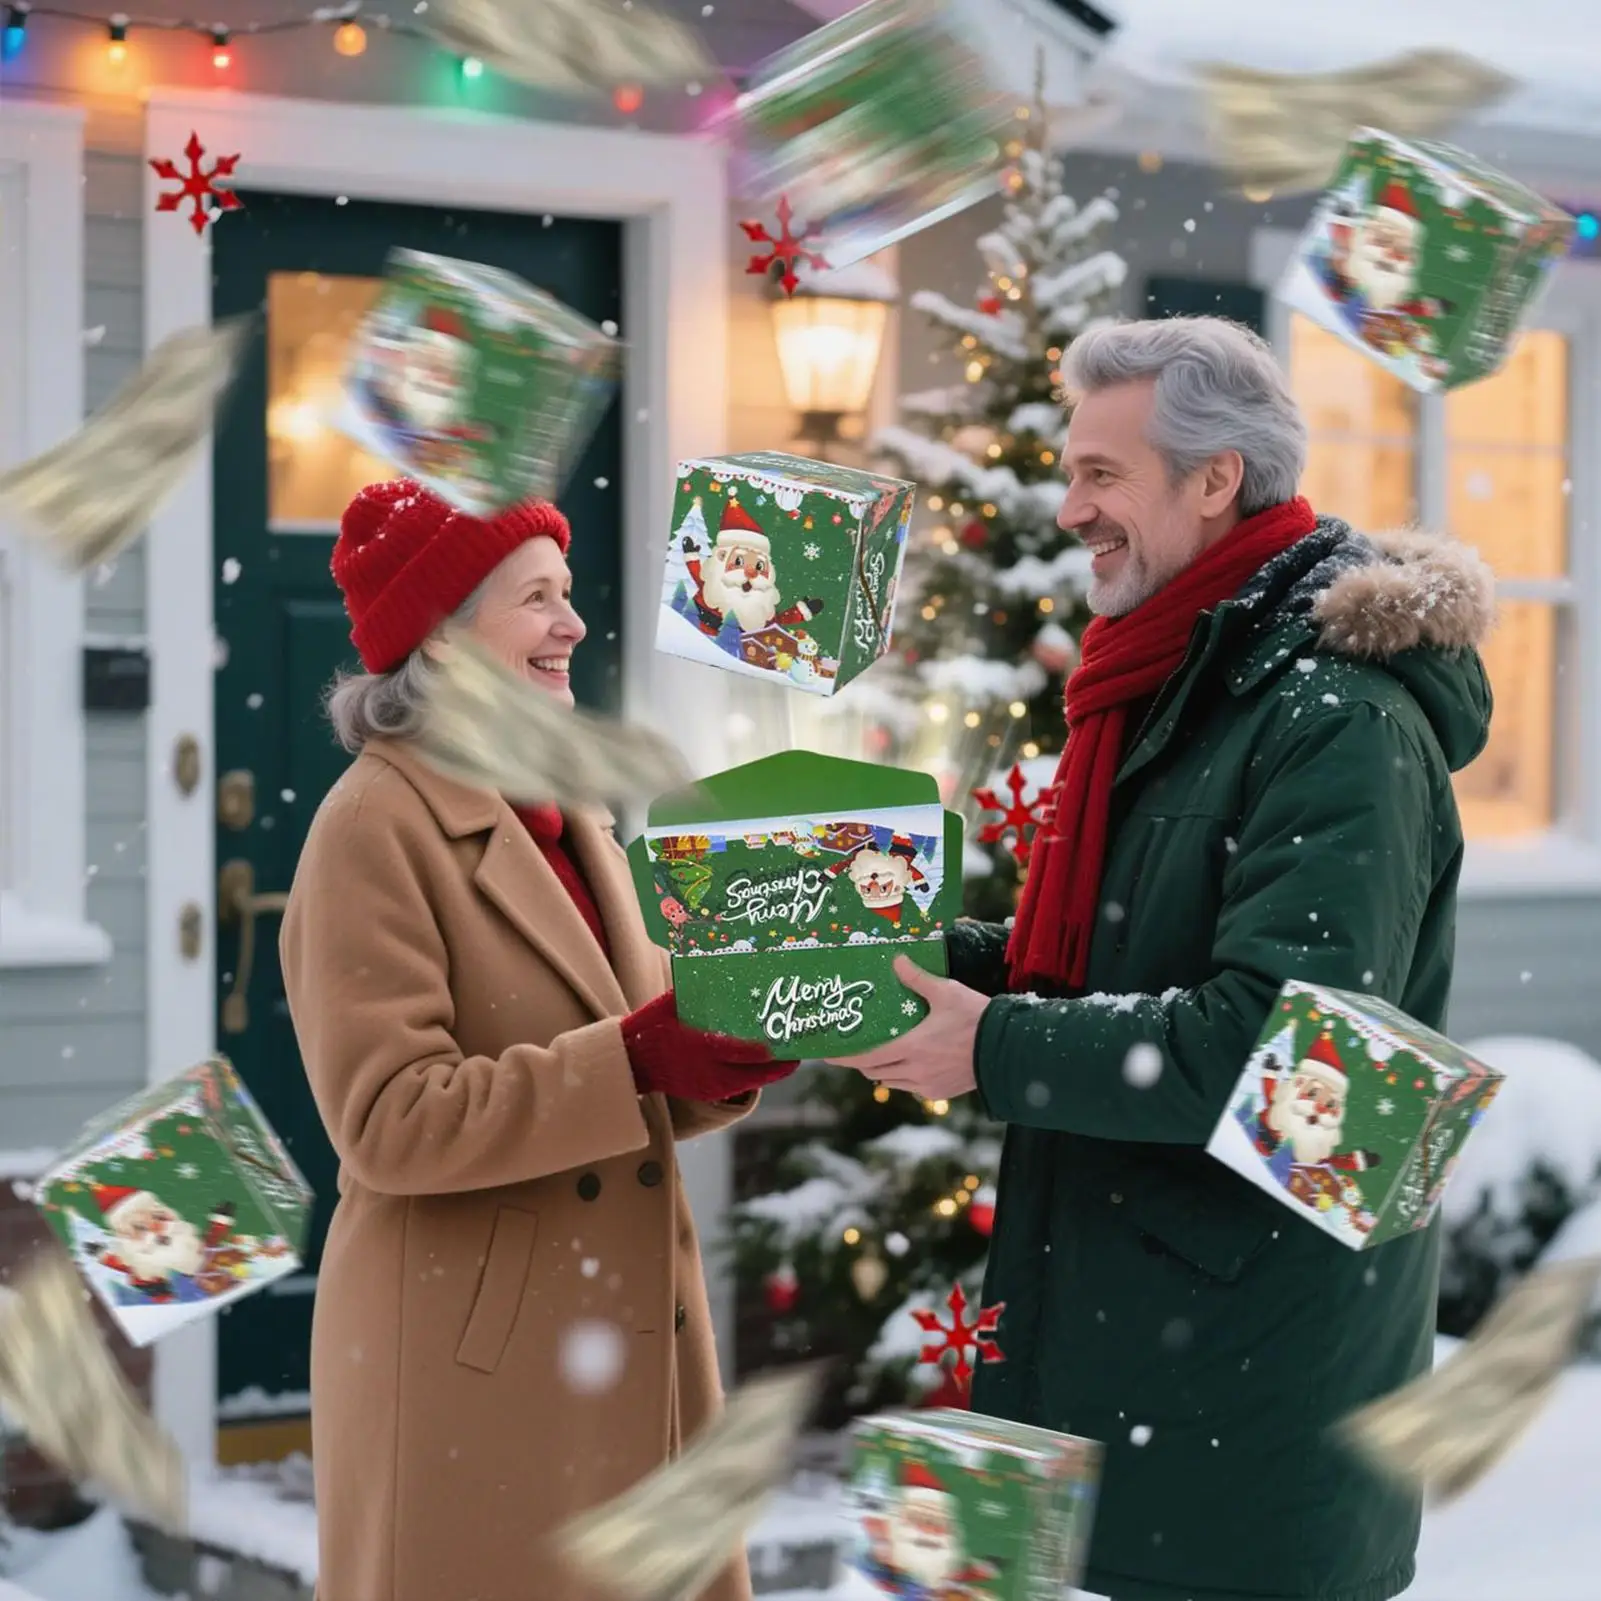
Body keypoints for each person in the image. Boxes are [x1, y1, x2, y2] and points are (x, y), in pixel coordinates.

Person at [832, 317, 1495, 1601]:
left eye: (1101, 474)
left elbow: (1285, 1051)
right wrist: (894, 958)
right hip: (1130, 1357)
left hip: (1248, 1403)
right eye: (1067, 471)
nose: (1068, 507)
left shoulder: (1340, 719)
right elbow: (1115, 959)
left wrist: (991, 1044)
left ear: (1213, 480)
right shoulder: (1183, 682)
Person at [280, 479, 795, 1601]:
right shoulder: (371, 825)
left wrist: (731, 1042)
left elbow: (632, 1052)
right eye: (535, 599)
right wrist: (641, 1058)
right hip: (479, 1376)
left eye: (566, 592)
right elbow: (389, 1120)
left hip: (626, 1337)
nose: (573, 623)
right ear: (442, 637)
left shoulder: (572, 813)